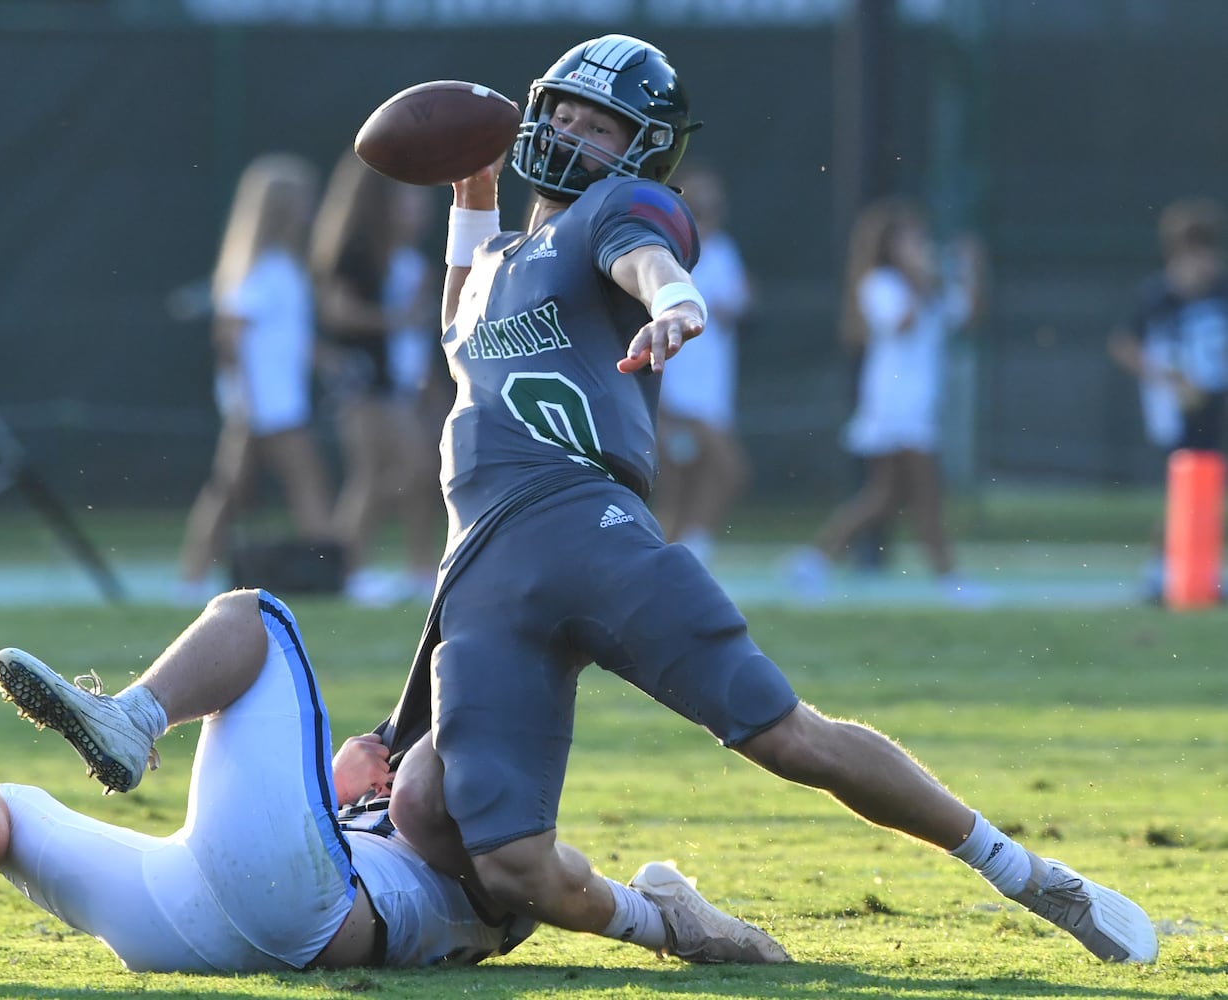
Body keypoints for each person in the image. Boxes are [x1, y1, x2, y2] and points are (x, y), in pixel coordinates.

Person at [372, 34, 1157, 966]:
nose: (575, 134)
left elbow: (647, 257)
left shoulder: (613, 213)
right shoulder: (499, 260)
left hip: (592, 532)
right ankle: (670, 920)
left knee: (789, 740)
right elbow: (460, 321)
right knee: (510, 866)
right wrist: (470, 190)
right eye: (567, 114)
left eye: (603, 125)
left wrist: (676, 302)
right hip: (487, 570)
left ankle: (1026, 873)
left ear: (644, 149)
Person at [0, 587, 785, 971]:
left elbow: (461, 799)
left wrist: (656, 913)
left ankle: (135, 719)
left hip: (310, 902)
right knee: (11, 818)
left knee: (258, 619)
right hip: (209, 911)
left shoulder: (494, 840)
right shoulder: (433, 819)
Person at [784, 196, 987, 602]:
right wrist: (920, 274)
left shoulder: (930, 288)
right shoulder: (880, 285)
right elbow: (904, 323)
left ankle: (813, 560)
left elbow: (968, 317)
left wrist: (972, 270)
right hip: (894, 404)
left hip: (919, 404)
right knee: (926, 495)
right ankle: (951, 581)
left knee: (885, 495)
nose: (921, 247)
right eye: (911, 240)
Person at [176, 154, 337, 605]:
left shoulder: (285, 268)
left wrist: (327, 360)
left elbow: (286, 337)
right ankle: (338, 574)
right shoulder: (259, 270)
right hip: (265, 406)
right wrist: (242, 402)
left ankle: (189, 579)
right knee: (302, 483)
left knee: (229, 490)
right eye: (303, 202)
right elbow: (229, 337)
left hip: (279, 401)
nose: (311, 210)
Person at [309, 151, 443, 606]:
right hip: (364, 385)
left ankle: (419, 569)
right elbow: (338, 313)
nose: (419, 210)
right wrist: (396, 319)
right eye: (407, 201)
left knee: (414, 473)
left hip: (402, 387)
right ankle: (347, 567)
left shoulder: (411, 261)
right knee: (383, 473)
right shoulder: (356, 254)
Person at [1105, 196, 1228, 599]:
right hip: (1174, 407)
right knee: (1182, 490)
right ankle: (1161, 570)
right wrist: (1166, 379)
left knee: (1213, 490)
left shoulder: (1220, 291)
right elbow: (1124, 343)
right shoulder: (1158, 295)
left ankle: (1205, 567)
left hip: (1213, 400)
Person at [653, 160, 752, 566]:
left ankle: (669, 558)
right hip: (678, 392)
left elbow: (741, 304)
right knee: (731, 470)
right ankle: (690, 551)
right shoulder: (665, 252)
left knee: (687, 482)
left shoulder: (725, 249)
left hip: (713, 390)